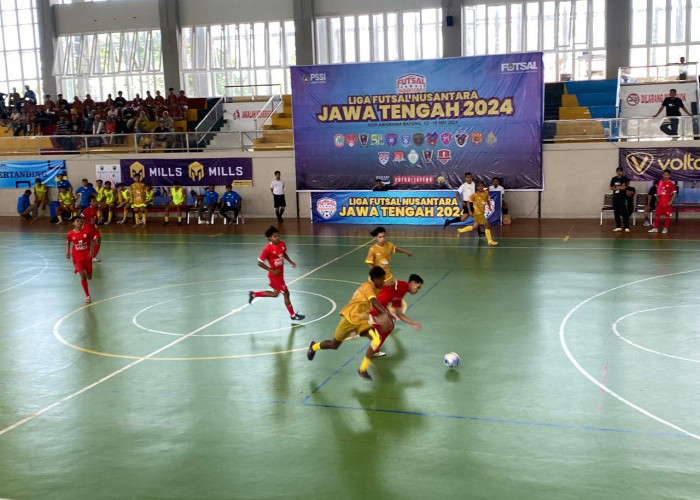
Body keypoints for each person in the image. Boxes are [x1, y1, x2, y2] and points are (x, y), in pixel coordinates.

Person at [306, 266, 394, 381]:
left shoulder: (374, 284)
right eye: (381, 279)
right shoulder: (368, 288)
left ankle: (362, 370)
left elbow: (379, 292)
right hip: (349, 319)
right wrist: (385, 314)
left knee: (376, 339)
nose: (383, 282)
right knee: (334, 345)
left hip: (361, 320)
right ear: (375, 279)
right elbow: (374, 302)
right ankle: (314, 347)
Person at [248, 225, 305, 321]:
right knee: (286, 293)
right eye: (275, 236)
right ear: (270, 238)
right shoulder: (267, 249)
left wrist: (290, 261)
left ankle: (253, 294)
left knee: (275, 294)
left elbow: (283, 253)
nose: (277, 238)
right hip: (274, 276)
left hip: (280, 275)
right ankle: (293, 315)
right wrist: (272, 270)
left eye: (278, 236)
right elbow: (260, 263)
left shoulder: (282, 244)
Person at [370, 274, 424, 357]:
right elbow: (393, 283)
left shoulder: (400, 295)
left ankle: (375, 349)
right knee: (383, 326)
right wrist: (382, 286)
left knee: (390, 326)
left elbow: (400, 314)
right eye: (418, 287)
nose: (417, 290)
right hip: (376, 306)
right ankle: (373, 343)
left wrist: (413, 323)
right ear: (413, 283)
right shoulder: (403, 285)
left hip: (382, 308)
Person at [457, 180, 500, 245]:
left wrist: (489, 207)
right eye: (478, 186)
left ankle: (460, 230)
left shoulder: (486, 193)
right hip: (478, 213)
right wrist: (470, 211)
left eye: (481, 186)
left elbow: (487, 200)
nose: (480, 187)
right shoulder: (474, 195)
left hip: (481, 213)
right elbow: (468, 202)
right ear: (476, 187)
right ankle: (490, 241)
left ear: (483, 186)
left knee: (475, 227)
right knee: (487, 226)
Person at [65, 218, 97, 303]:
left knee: (89, 277)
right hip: (77, 258)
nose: (80, 222)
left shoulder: (86, 232)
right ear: (73, 223)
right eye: (77, 221)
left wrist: (91, 251)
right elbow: (68, 242)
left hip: (87, 257)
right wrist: (68, 252)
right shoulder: (70, 234)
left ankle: (87, 273)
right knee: (82, 275)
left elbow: (93, 241)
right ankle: (87, 295)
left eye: (80, 221)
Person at [648, 170, 677, 234]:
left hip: (667, 202)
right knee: (657, 215)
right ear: (663, 175)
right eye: (664, 174)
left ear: (669, 175)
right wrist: (658, 199)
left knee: (667, 216)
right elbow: (658, 192)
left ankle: (665, 228)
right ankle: (655, 228)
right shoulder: (660, 182)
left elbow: (675, 194)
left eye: (667, 175)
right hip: (660, 202)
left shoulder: (671, 184)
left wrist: (671, 201)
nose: (665, 176)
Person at [81, 196, 102, 262]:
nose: (95, 203)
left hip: (93, 227)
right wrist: (89, 222)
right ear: (90, 203)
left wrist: (98, 220)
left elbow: (95, 221)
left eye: (95, 201)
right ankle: (83, 255)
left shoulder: (96, 210)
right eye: (93, 201)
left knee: (98, 239)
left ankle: (93, 257)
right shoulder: (87, 209)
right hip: (87, 228)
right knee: (87, 242)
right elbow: (81, 218)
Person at [609, 167, 631, 233]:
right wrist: (619, 187)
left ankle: (627, 227)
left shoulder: (625, 179)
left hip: (622, 198)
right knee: (616, 213)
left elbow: (624, 187)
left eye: (620, 171)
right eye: (618, 171)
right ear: (616, 172)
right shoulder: (613, 179)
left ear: (622, 172)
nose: (619, 172)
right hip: (615, 198)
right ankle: (618, 226)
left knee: (624, 213)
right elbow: (611, 187)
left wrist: (615, 187)